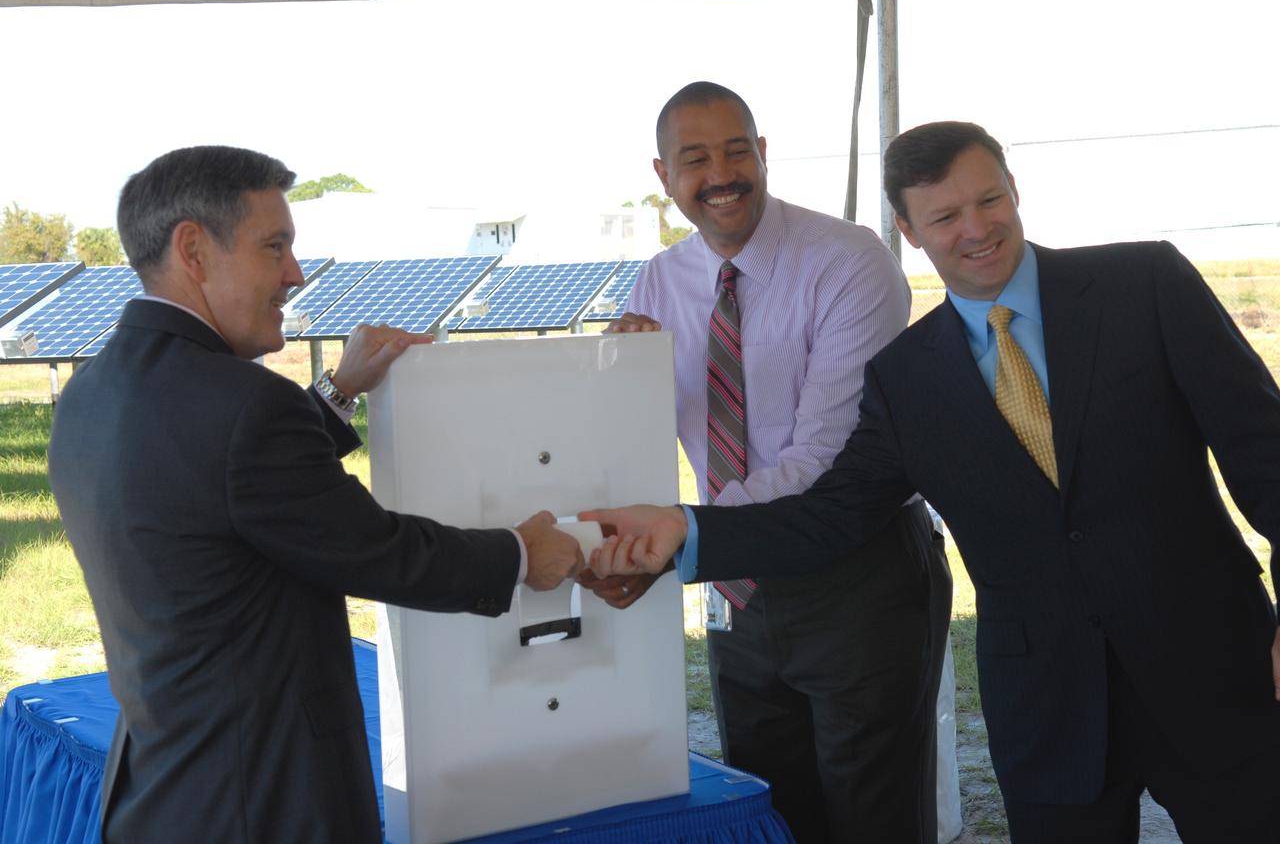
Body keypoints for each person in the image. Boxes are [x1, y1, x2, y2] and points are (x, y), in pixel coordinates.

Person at [584, 120, 1280, 843]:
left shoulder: (1145, 285)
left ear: (1015, 191)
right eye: (945, 217)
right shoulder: (905, 378)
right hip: (1047, 707)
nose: (976, 229)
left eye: (989, 201)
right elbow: (833, 514)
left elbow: (1265, 452)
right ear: (910, 231)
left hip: (1216, 673)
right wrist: (687, 530)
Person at [46, 145, 585, 844]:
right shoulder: (244, 406)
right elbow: (375, 549)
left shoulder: (90, 393)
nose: (295, 274)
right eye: (275, 247)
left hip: (162, 789)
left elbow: (227, 488)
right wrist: (522, 554)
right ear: (194, 250)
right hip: (264, 800)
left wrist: (336, 390)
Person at [579, 81, 951, 843]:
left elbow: (827, 455)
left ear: (764, 152)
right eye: (695, 159)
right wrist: (620, 380)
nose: (722, 175)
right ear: (664, 175)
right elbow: (645, 435)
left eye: (736, 151)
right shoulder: (659, 281)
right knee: (768, 810)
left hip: (856, 578)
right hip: (738, 593)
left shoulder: (848, 261)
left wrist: (686, 539)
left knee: (872, 819)